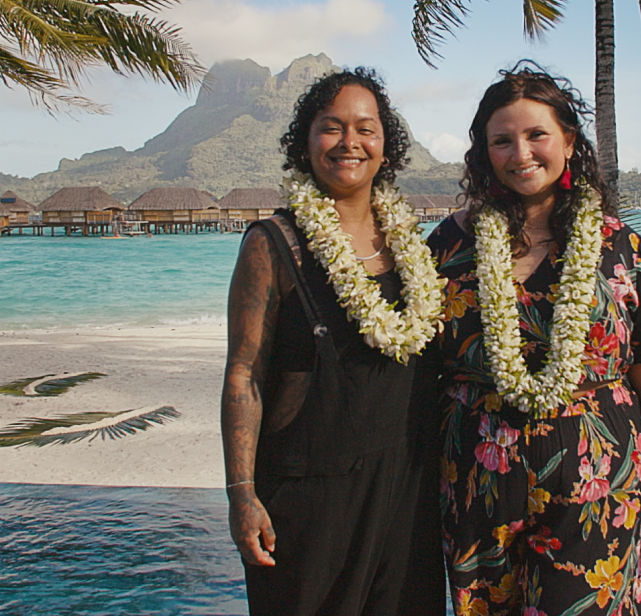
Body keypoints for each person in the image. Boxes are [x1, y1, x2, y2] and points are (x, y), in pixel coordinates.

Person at [426, 62, 641, 615]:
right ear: (484, 153)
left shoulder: (619, 248)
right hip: (475, 482)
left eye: (536, 135)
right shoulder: (450, 245)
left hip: (598, 480)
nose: (520, 153)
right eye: (502, 140)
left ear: (569, 142)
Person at [221, 67, 446, 616]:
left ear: (386, 144)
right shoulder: (272, 243)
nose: (350, 143)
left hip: (406, 495)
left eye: (366, 129)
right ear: (305, 141)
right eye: (331, 127)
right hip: (308, 498)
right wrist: (241, 495)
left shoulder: (412, 243)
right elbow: (244, 374)